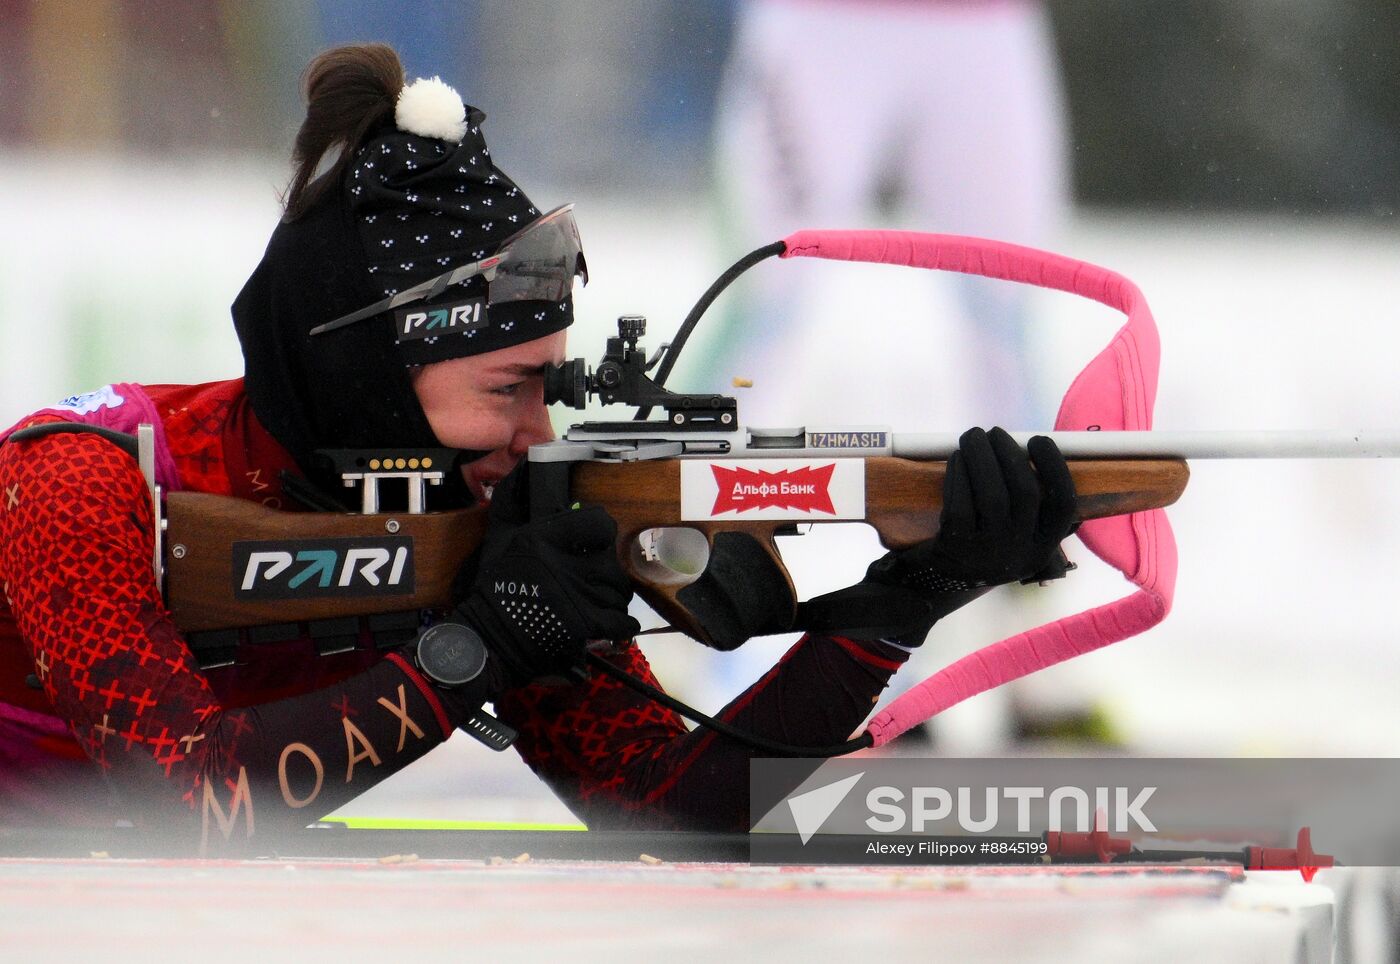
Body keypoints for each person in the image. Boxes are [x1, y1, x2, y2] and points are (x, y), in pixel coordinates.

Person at [0, 43, 1077, 849]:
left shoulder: (466, 517)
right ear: (368, 373)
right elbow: (194, 814)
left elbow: (677, 811)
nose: (537, 435)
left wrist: (902, 603)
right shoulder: (80, 483)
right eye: (507, 389)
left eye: (549, 386)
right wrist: (474, 650)